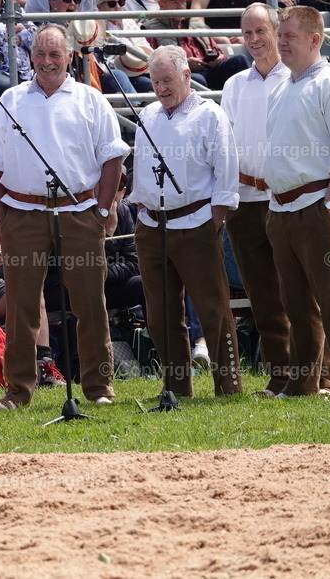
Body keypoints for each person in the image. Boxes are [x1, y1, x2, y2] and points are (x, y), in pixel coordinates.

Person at [0, 23, 128, 408]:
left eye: (55, 54)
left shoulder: (90, 99)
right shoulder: (9, 100)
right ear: (30, 56)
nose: (47, 61)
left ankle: (98, 388)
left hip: (80, 211)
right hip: (22, 215)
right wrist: (3, 215)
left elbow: (114, 157)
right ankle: (18, 390)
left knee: (90, 302)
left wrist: (103, 208)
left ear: (69, 56)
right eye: (41, 54)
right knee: (22, 303)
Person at [263, 6, 330, 399]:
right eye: (281, 35)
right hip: (284, 207)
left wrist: (329, 207)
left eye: (289, 35)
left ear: (314, 39)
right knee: (296, 302)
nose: (282, 42)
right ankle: (305, 382)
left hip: (319, 204)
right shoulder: (283, 86)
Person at [130, 45, 241, 398]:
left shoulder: (210, 115)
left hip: (196, 222)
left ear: (186, 76)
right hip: (151, 226)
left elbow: (226, 171)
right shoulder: (147, 115)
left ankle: (229, 384)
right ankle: (176, 385)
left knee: (213, 309)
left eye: (167, 80)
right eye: (155, 81)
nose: (161, 88)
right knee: (160, 314)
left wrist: (215, 221)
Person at [219, 3, 292, 397]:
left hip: (287, 197)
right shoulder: (233, 86)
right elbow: (225, 146)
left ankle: (325, 373)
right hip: (246, 202)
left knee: (301, 288)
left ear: (276, 30)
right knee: (262, 293)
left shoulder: (298, 79)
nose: (253, 40)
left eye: (260, 31)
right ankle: (280, 374)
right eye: (247, 33)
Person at [144, 0, 250, 90]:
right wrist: (185, 64)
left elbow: (217, 50)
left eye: (183, 2)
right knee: (196, 79)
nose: (181, 7)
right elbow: (155, 64)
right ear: (162, 5)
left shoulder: (195, 22)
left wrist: (218, 58)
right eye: (175, 2)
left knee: (240, 60)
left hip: (208, 70)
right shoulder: (151, 28)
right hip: (182, 75)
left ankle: (250, 100)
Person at [94, 0, 153, 92]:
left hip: (137, 69)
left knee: (150, 84)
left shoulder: (129, 20)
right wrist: (120, 62)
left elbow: (145, 47)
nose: (118, 7)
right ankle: (134, 108)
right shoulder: (94, 25)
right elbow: (96, 61)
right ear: (99, 6)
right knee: (120, 76)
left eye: (121, 2)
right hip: (112, 71)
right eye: (112, 4)